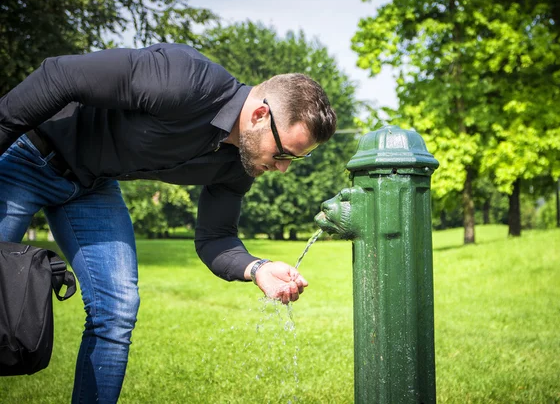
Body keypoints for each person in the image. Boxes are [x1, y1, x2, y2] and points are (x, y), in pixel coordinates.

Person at [0, 43, 337, 403]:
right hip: (30, 154)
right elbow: (60, 75)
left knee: (117, 310)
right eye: (283, 153)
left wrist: (257, 269)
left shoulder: (237, 165)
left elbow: (216, 237)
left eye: (295, 159)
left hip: (90, 185)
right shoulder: (184, 78)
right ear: (259, 114)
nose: (283, 167)